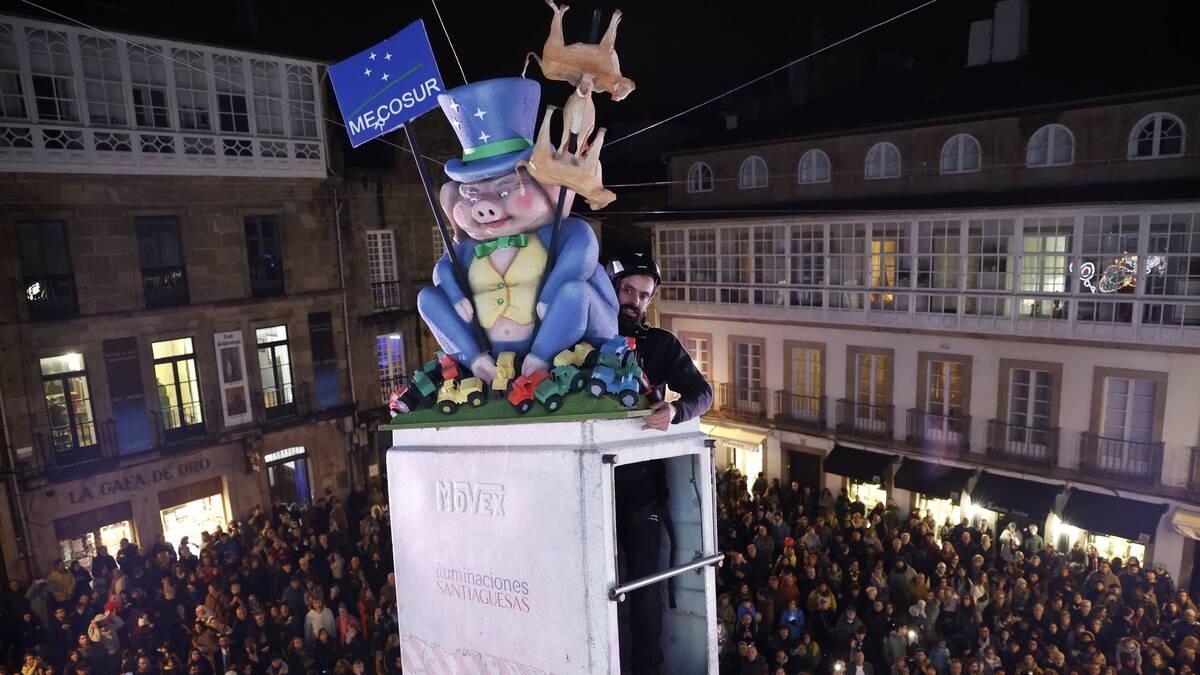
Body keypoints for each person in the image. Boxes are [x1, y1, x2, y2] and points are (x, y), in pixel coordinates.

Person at [604, 250, 712, 675]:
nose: (634, 301)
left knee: (645, 590)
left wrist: (675, 412)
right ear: (612, 289)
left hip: (641, 489)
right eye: (627, 290)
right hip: (585, 486)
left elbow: (702, 393)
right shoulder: (580, 338)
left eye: (643, 295)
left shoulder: (661, 344)